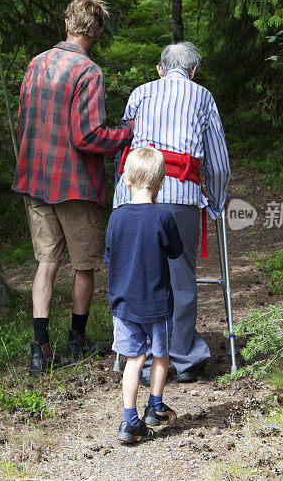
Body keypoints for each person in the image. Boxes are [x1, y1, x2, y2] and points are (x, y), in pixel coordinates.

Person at [12, 0, 134, 376]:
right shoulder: (89, 72)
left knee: (46, 264)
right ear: (95, 33)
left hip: (35, 179)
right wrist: (127, 134)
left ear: (67, 25)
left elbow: (24, 120)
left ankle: (39, 350)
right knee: (84, 265)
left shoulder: (36, 64)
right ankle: (76, 341)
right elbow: (89, 136)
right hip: (74, 185)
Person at [113, 42, 230, 385]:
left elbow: (124, 147)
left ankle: (140, 357)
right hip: (180, 194)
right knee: (180, 279)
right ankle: (180, 358)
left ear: (160, 69)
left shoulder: (140, 93)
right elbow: (219, 164)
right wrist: (217, 203)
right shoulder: (202, 96)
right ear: (193, 71)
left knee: (138, 276)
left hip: (132, 197)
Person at [106, 146, 183, 443]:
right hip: (157, 303)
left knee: (133, 359)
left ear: (126, 181)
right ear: (161, 183)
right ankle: (155, 406)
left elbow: (110, 258)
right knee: (160, 355)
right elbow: (176, 251)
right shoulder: (163, 217)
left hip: (124, 304)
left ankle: (129, 421)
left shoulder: (115, 218)